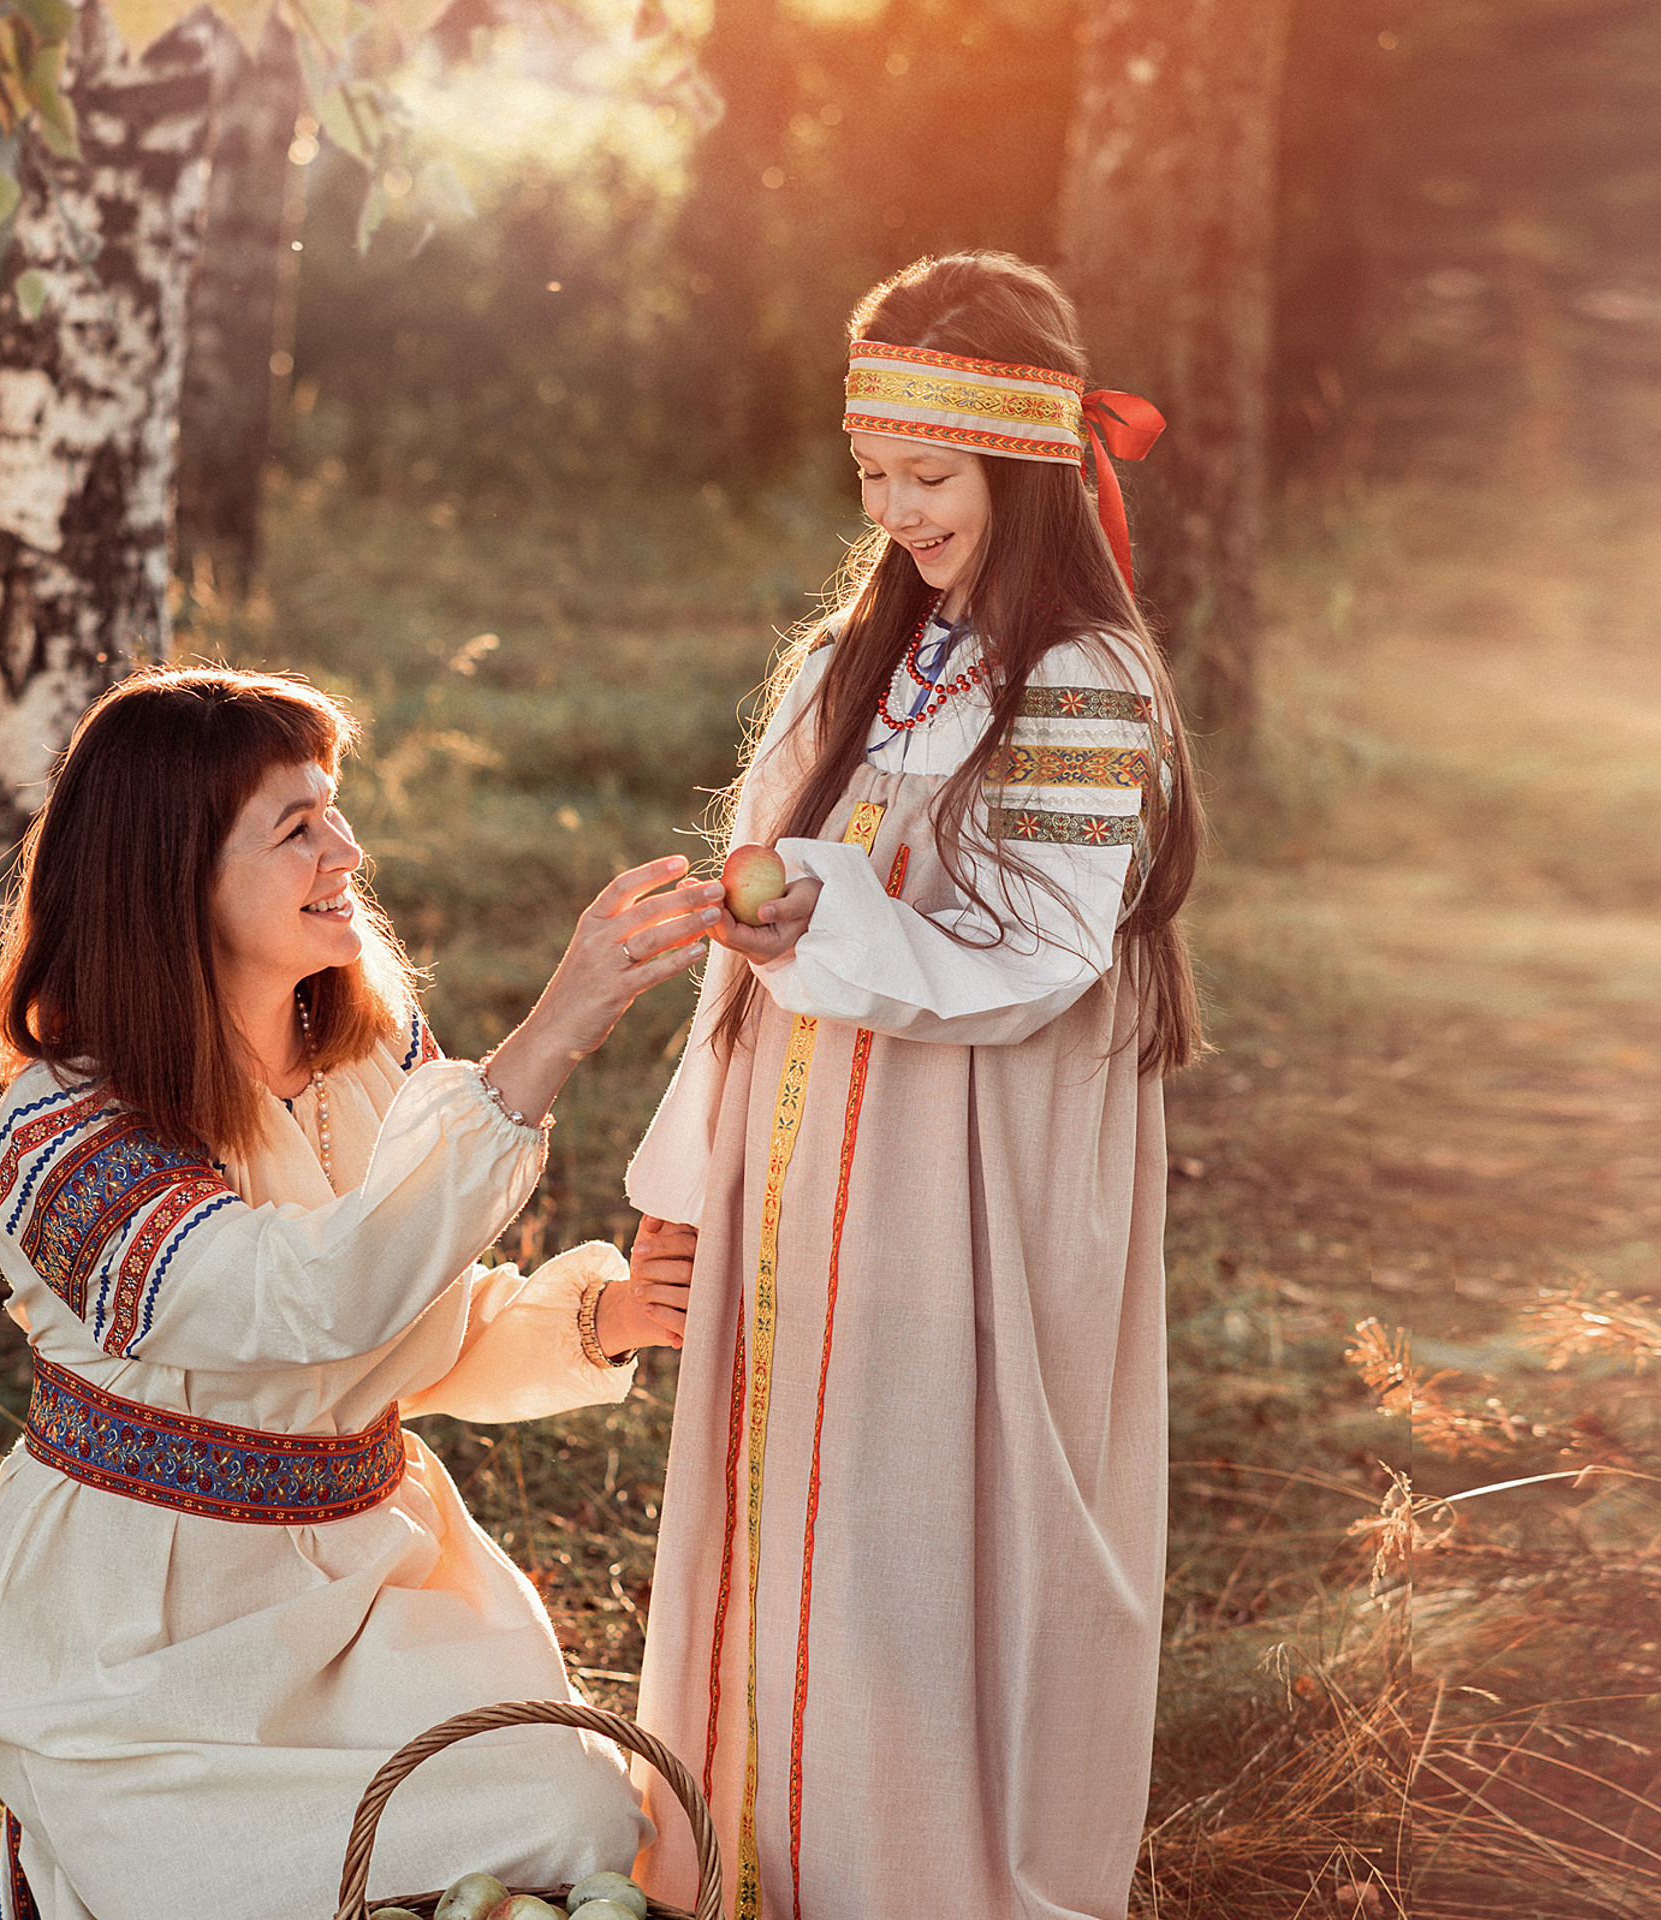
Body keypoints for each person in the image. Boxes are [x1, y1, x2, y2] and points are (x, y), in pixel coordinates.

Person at [626, 252, 1203, 1920]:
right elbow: (752, 932)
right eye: (874, 476)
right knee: (781, 1492)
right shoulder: (847, 663)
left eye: (931, 479)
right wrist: (687, 1178)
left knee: (910, 1507)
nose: (897, 511)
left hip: (964, 1176)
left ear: (1022, 466)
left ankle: (908, 1867)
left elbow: (1037, 954)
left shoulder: (1085, 686)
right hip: (803, 1159)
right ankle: (748, 1855)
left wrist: (835, 910)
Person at [0, 666, 723, 1920]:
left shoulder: (370, 1051)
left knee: (580, 1822)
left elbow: (410, 1331)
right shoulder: (61, 1132)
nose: (347, 849)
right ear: (175, 877)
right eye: (297, 828)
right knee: (244, 1895)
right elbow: (303, 1303)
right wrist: (545, 1042)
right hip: (149, 1631)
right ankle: (65, 1860)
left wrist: (602, 1316)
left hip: (376, 1586)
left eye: (336, 808)